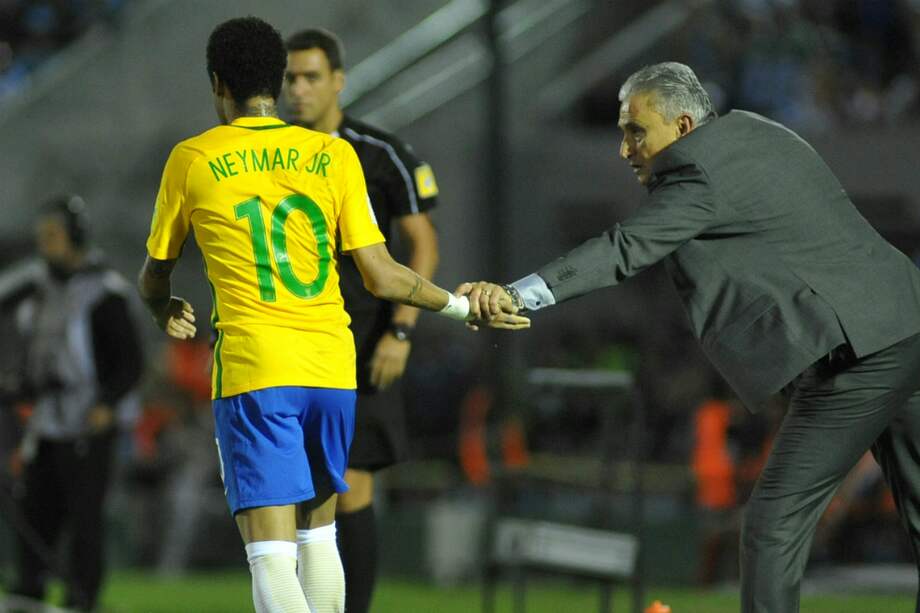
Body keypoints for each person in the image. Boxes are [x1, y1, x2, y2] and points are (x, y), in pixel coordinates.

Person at [465, 62, 920, 612]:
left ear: (682, 127)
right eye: (621, 131)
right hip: (907, 319)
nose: (625, 147)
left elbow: (622, 250)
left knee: (772, 523)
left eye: (637, 131)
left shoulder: (697, 172)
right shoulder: (759, 132)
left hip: (860, 353)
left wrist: (516, 294)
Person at [136, 17, 526, 613]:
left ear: (218, 84)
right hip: (333, 369)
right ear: (277, 81)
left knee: (270, 552)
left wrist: (163, 306)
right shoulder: (331, 152)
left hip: (257, 371)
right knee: (320, 535)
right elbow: (383, 272)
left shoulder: (192, 158)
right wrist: (456, 306)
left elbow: (154, 272)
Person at [283, 27, 440, 613]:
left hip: (361, 341)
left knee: (349, 488)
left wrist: (401, 331)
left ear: (338, 81)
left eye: (310, 77)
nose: (298, 90)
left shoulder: (378, 153)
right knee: (296, 493)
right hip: (293, 339)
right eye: (290, 79)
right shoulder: (274, 156)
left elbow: (422, 245)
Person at [5, 194, 143, 612]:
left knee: (85, 519)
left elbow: (131, 362)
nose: (44, 245)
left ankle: (82, 599)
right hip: (47, 419)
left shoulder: (106, 293)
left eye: (52, 236)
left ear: (75, 236)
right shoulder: (39, 287)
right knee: (33, 510)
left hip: (88, 421)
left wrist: (108, 403)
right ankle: (28, 592)